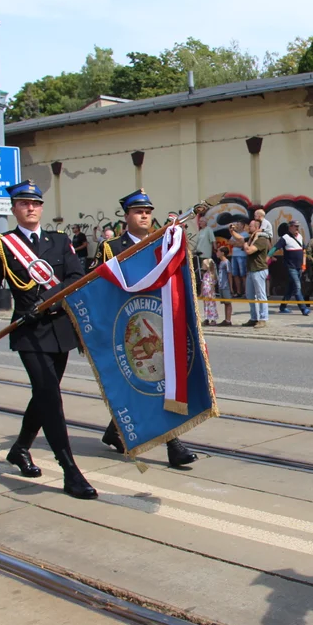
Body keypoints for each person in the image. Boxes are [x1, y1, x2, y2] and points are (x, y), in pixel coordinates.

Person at [0, 180, 97, 499]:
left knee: (45, 394)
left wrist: (51, 301)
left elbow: (75, 277)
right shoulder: (2, 244)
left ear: (41, 208)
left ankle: (19, 448)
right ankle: (69, 470)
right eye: (23, 204)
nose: (30, 208)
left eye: (35, 203)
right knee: (49, 396)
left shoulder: (59, 242)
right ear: (14, 209)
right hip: (28, 331)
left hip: (59, 329)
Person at [94, 189, 199, 468]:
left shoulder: (160, 245)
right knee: (142, 382)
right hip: (126, 327)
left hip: (155, 323)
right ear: (126, 215)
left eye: (148, 211)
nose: (144, 215)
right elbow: (97, 288)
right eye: (138, 211)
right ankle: (173, 444)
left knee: (156, 381)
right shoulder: (111, 248)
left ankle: (117, 432)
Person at [231, 218, 270, 328]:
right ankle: (254, 318)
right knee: (250, 295)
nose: (249, 228)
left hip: (259, 269)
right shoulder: (252, 237)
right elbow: (240, 238)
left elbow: (249, 251)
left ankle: (263, 319)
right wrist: (232, 231)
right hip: (251, 270)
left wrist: (244, 243)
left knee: (261, 295)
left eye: (251, 226)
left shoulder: (261, 239)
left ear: (257, 228)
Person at [272, 220, 310, 315]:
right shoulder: (285, 238)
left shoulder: (300, 237)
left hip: (299, 267)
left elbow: (303, 250)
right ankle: (303, 308)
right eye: (295, 226)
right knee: (297, 287)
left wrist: (304, 264)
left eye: (298, 226)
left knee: (290, 288)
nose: (297, 228)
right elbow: (275, 248)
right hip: (290, 267)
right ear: (290, 227)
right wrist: (268, 256)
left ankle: (283, 306)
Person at [229, 218, 249, 298]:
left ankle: (246, 292)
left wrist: (236, 243)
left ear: (243, 226)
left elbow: (243, 244)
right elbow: (230, 242)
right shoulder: (234, 234)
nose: (237, 226)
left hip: (242, 256)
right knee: (235, 274)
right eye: (237, 224)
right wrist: (238, 243)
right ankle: (238, 292)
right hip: (234, 255)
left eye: (239, 225)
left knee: (243, 274)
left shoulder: (245, 234)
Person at [214, 245, 233, 326]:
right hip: (221, 285)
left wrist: (231, 287)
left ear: (222, 253)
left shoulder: (226, 262)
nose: (217, 253)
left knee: (228, 302)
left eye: (218, 251)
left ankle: (228, 320)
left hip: (226, 285)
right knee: (225, 303)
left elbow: (229, 274)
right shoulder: (221, 262)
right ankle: (226, 319)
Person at [200, 257, 218, 326]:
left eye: (203, 265)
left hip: (210, 293)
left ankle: (213, 319)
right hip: (205, 293)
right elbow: (202, 283)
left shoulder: (212, 275)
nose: (202, 266)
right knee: (206, 306)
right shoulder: (205, 274)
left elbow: (212, 285)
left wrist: (211, 293)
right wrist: (201, 293)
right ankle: (207, 318)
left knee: (211, 306)